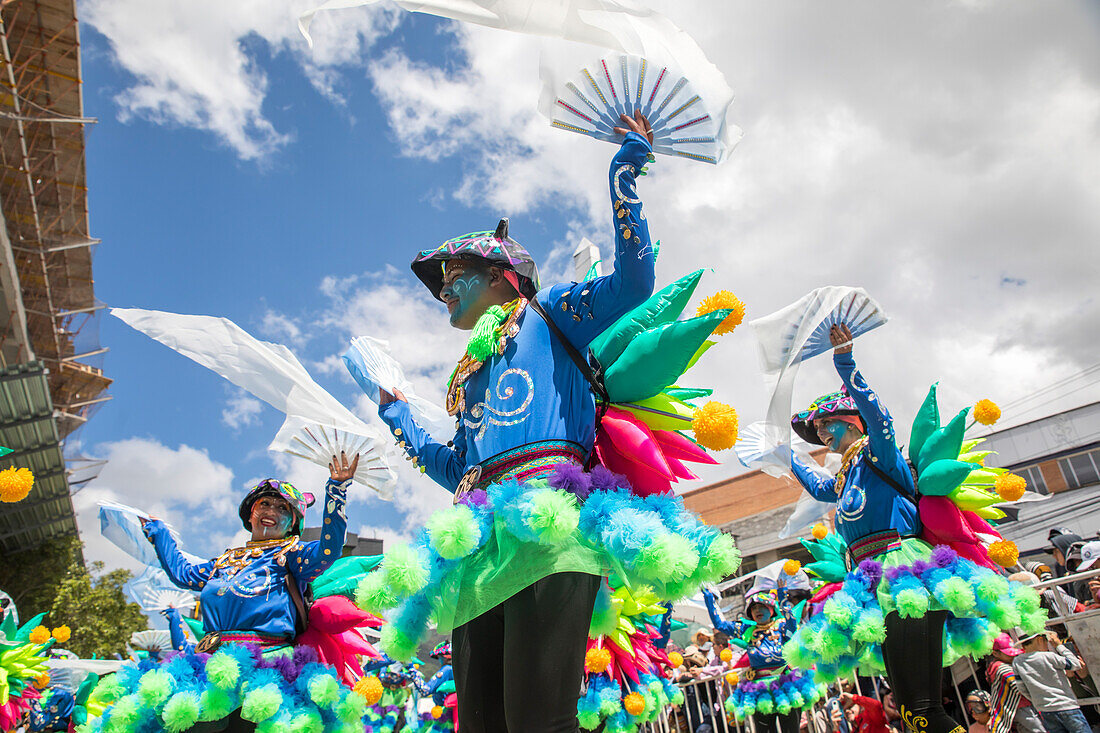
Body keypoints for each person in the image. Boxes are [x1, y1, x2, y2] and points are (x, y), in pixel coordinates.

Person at [369, 112, 739, 733]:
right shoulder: (467, 372)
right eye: (441, 287)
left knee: (538, 720)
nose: (445, 292)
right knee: (479, 723)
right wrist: (398, 413)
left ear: (501, 277)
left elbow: (631, 285)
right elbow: (457, 467)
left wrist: (624, 176)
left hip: (552, 520)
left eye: (455, 278)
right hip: (476, 544)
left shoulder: (550, 313)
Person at [783, 325, 1044, 733]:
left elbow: (880, 416)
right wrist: (786, 452)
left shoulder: (880, 454)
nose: (820, 435)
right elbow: (818, 485)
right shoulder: (845, 476)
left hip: (906, 574)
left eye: (825, 425)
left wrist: (844, 360)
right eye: (815, 431)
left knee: (921, 709)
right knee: (911, 710)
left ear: (851, 421)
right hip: (871, 581)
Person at [83, 454, 360, 733]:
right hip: (210, 665)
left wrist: (336, 489)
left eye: (282, 508)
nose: (271, 510)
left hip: (268, 667)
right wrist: (159, 531)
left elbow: (330, 547)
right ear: (249, 513)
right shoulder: (222, 561)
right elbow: (182, 573)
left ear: (292, 524)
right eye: (264, 503)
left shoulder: (292, 555)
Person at [703, 587, 822, 733]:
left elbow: (792, 629)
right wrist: (709, 599)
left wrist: (783, 600)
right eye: (754, 608)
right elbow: (720, 625)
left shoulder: (782, 627)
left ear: (771, 609)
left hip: (785, 685)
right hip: (759, 690)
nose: (757, 611)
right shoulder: (746, 631)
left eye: (761, 607)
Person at [1012, 631, 1089, 733]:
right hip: (1066, 706)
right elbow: (1075, 664)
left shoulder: (1017, 662)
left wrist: (1037, 701)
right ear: (1040, 640)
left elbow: (1022, 688)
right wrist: (1059, 646)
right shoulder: (1048, 656)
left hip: (1045, 711)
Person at [985, 633, 1043, 733]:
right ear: (995, 653)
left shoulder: (1005, 664)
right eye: (1007, 653)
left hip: (1018, 708)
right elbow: (1020, 687)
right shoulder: (1001, 668)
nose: (1013, 655)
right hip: (1021, 707)